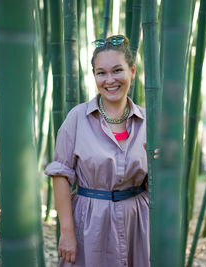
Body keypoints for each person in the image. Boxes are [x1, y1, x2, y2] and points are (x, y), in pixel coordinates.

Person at [45, 35, 149, 267]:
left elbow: (157, 184)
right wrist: (67, 232)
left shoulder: (148, 121)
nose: (109, 80)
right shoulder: (77, 119)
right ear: (94, 76)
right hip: (90, 222)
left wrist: (163, 163)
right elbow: (60, 176)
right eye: (101, 73)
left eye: (117, 70)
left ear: (132, 71)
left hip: (138, 221)